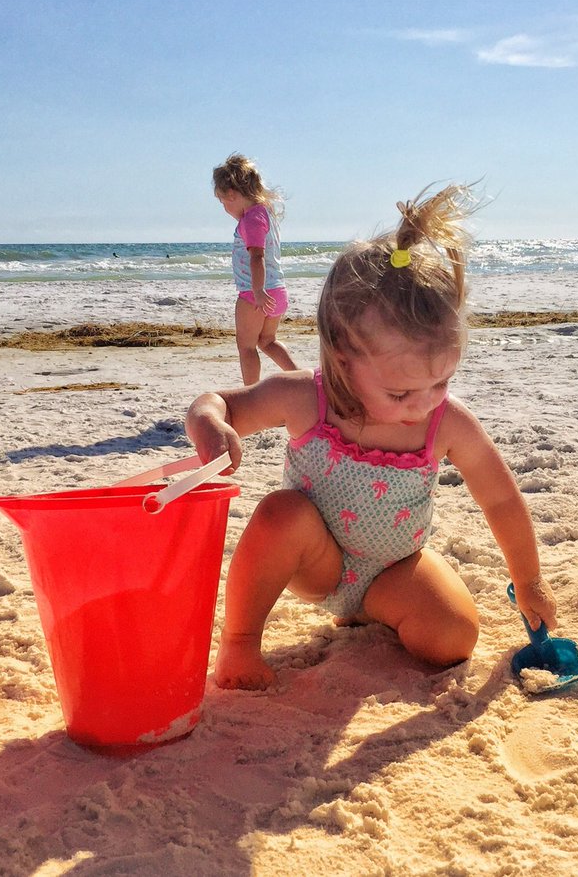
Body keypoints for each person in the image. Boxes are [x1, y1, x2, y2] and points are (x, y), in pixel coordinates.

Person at [186, 184, 559, 690]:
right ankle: (239, 644)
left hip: (393, 568)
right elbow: (219, 402)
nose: (425, 402)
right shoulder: (305, 398)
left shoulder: (445, 421)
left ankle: (367, 616)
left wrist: (528, 579)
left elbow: (499, 498)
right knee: (280, 513)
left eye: (442, 381)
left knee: (452, 639)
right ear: (342, 359)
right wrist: (210, 424)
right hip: (318, 562)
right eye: (402, 391)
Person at [212, 153, 298, 385]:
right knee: (267, 341)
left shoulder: (250, 219)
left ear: (232, 194)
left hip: (255, 294)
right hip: (278, 290)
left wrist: (258, 290)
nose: (225, 208)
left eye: (223, 202)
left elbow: (257, 256)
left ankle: (250, 394)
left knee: (246, 346)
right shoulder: (264, 211)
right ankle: (301, 378)